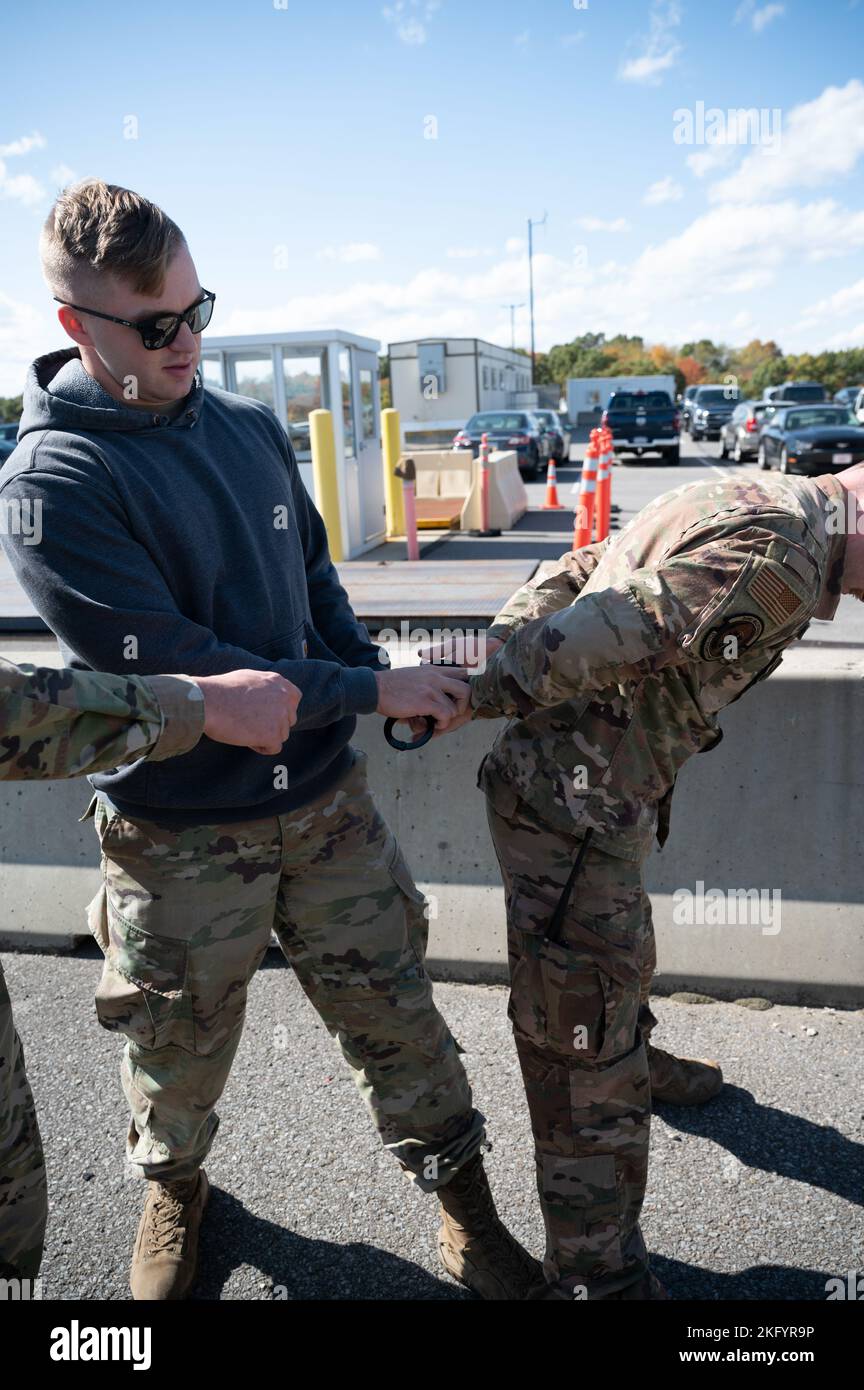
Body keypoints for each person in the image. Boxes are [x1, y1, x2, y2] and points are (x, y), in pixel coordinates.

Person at [0, 179, 539, 1302]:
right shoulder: (53, 486)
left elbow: (314, 591)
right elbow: (194, 675)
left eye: (199, 310)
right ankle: (177, 1193)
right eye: (156, 327)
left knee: (399, 1019)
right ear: (75, 329)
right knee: (174, 1049)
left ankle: (466, 1211)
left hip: (327, 805)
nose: (189, 340)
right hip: (182, 832)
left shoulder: (247, 428)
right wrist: (366, 679)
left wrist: (373, 679)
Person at [440, 465, 860, 1299]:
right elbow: (600, 632)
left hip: (593, 797)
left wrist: (495, 642)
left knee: (610, 966)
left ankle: (631, 1049)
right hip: (572, 813)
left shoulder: (753, 493)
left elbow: (585, 563)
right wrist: (464, 685)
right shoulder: (783, 550)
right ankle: (596, 1272)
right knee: (578, 1043)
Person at [0, 657, 302, 1285]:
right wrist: (200, 703)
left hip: (304, 782)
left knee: (8, 1214)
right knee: (168, 1020)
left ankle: (462, 1198)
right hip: (162, 804)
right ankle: (174, 1183)